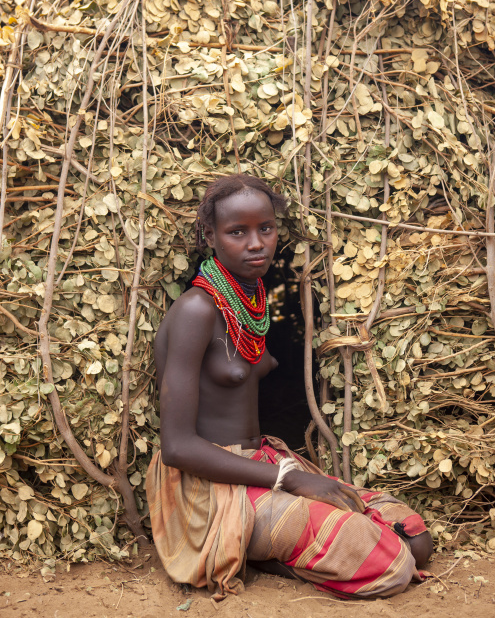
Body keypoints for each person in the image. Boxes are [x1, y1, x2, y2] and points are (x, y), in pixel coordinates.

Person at [146, 174, 432, 601]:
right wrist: (289, 478)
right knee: (390, 565)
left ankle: (264, 550)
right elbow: (178, 448)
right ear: (210, 235)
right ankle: (256, 550)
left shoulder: (252, 300)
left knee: (415, 538)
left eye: (266, 228)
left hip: (260, 463)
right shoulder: (195, 311)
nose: (256, 243)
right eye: (237, 232)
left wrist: (283, 474)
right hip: (209, 484)